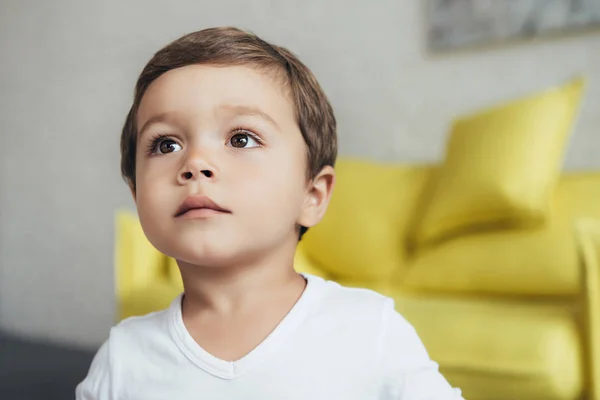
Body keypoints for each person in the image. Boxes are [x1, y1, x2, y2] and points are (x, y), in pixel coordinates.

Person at [76, 26, 464, 399]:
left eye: (241, 138)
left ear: (312, 195)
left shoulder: (370, 331)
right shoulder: (123, 358)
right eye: (165, 145)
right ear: (136, 192)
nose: (195, 162)